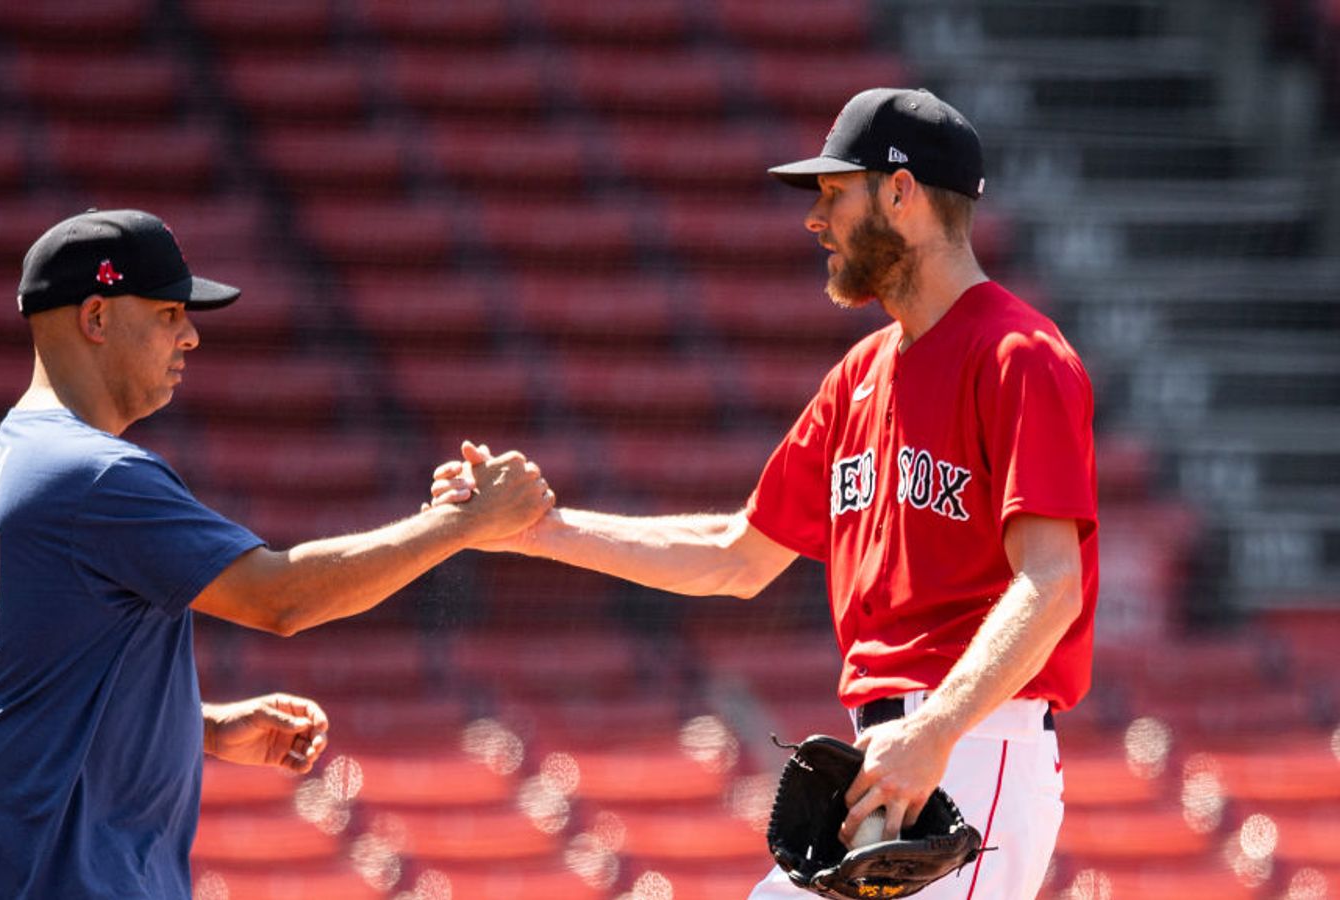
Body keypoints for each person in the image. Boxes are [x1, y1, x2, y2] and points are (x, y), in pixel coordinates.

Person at [430, 88, 1097, 899]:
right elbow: (736, 555)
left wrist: (938, 728)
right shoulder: (859, 377)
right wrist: (541, 528)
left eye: (833, 192)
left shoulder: (1019, 355)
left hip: (972, 750)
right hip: (899, 756)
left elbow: (1052, 582)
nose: (816, 219)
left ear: (901, 192)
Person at [0, 209, 553, 898]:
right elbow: (279, 598)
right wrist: (459, 525)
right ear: (97, 319)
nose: (191, 336)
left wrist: (197, 726)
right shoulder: (94, 474)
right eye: (170, 313)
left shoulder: (21, 452)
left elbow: (42, 688)